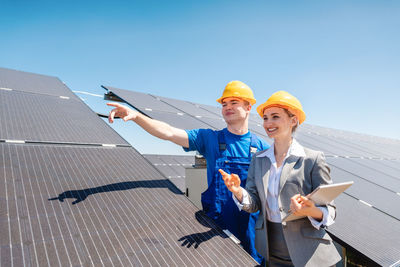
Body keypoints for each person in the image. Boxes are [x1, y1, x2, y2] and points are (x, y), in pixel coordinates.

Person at [107, 81, 270, 263]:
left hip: (252, 229)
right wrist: (137, 116)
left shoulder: (263, 148)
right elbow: (168, 132)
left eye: (234, 103)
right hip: (215, 226)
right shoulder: (209, 138)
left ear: (248, 107)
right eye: (224, 104)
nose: (227, 107)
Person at [220, 91, 341, 266]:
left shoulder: (313, 159)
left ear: (293, 120)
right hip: (270, 250)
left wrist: (309, 210)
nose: (268, 123)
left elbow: (331, 210)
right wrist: (238, 191)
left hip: (309, 254)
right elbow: (255, 205)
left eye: (275, 117)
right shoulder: (259, 159)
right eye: (265, 118)